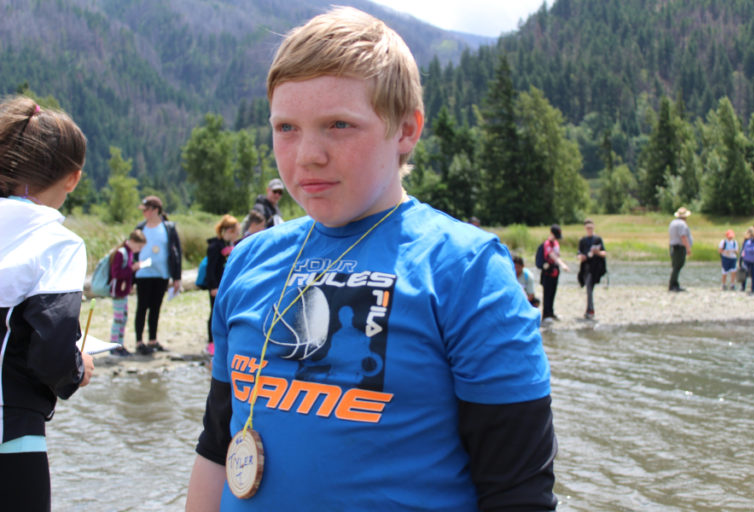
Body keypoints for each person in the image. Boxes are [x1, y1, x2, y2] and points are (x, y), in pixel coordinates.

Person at [186, 8, 557, 511]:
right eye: (287, 127)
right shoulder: (249, 259)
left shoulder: (468, 272)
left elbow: (517, 493)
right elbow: (215, 445)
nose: (307, 154)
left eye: (339, 125)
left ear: (406, 130)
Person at [0, 96, 95, 511]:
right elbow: (52, 353)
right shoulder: (57, 243)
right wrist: (77, 369)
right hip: (11, 431)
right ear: (72, 179)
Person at [134, 195, 182, 355]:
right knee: (142, 307)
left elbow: (177, 253)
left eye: (146, 210)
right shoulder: (140, 228)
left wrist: (177, 277)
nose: (144, 213)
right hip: (143, 274)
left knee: (155, 308)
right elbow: (133, 250)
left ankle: (152, 340)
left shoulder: (168, 227)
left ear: (155, 210)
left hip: (162, 274)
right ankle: (139, 342)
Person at [205, 215, 241, 355]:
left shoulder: (230, 245)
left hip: (228, 286)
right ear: (228, 230)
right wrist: (212, 286)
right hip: (217, 286)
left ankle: (225, 340)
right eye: (236, 231)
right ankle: (211, 342)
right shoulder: (215, 246)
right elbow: (210, 268)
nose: (237, 234)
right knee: (214, 313)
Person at [109, 229, 147, 356]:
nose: (139, 250)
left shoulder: (128, 252)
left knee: (123, 318)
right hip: (118, 291)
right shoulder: (121, 253)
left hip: (123, 291)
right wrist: (132, 268)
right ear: (132, 241)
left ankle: (120, 345)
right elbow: (116, 273)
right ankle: (114, 346)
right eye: (139, 246)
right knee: (119, 319)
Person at [577, 219, 607, 320]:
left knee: (590, 288)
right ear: (585, 228)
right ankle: (590, 309)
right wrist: (581, 257)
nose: (589, 229)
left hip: (595, 268)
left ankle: (590, 310)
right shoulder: (583, 240)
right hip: (585, 268)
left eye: (591, 228)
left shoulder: (598, 239)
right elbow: (578, 254)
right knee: (588, 288)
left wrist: (596, 252)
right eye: (587, 228)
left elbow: (604, 253)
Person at [540, 224, 569, 321]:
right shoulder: (547, 244)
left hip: (555, 272)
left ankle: (551, 312)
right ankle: (545, 314)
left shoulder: (556, 243)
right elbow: (553, 256)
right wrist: (563, 265)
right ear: (551, 233)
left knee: (553, 292)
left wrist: (560, 264)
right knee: (547, 293)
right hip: (547, 272)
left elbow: (558, 255)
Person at [668, 207, 693, 292]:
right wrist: (688, 248)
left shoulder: (673, 223)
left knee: (675, 266)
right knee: (677, 266)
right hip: (679, 247)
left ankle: (673, 284)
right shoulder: (682, 224)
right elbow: (683, 237)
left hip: (672, 246)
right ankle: (673, 285)